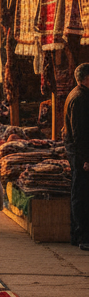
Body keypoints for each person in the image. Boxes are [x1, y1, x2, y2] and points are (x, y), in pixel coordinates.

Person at [63, 62, 89, 249]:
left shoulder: (78, 95)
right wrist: (85, 158)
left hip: (77, 153)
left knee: (79, 193)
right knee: (80, 195)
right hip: (80, 155)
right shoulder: (80, 98)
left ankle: (77, 235)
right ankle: (82, 236)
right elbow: (80, 133)